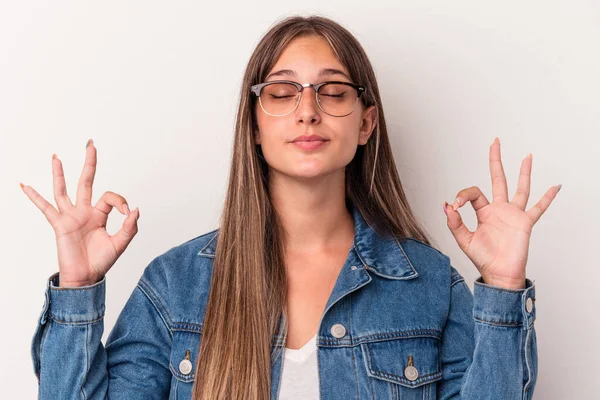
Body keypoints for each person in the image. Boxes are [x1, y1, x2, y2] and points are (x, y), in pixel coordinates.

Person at [23, 14, 558, 400]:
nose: (307, 110)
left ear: (366, 122)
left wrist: (504, 287)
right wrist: (76, 288)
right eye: (281, 93)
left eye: (333, 91)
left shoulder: (429, 286)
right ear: (253, 124)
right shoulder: (175, 285)